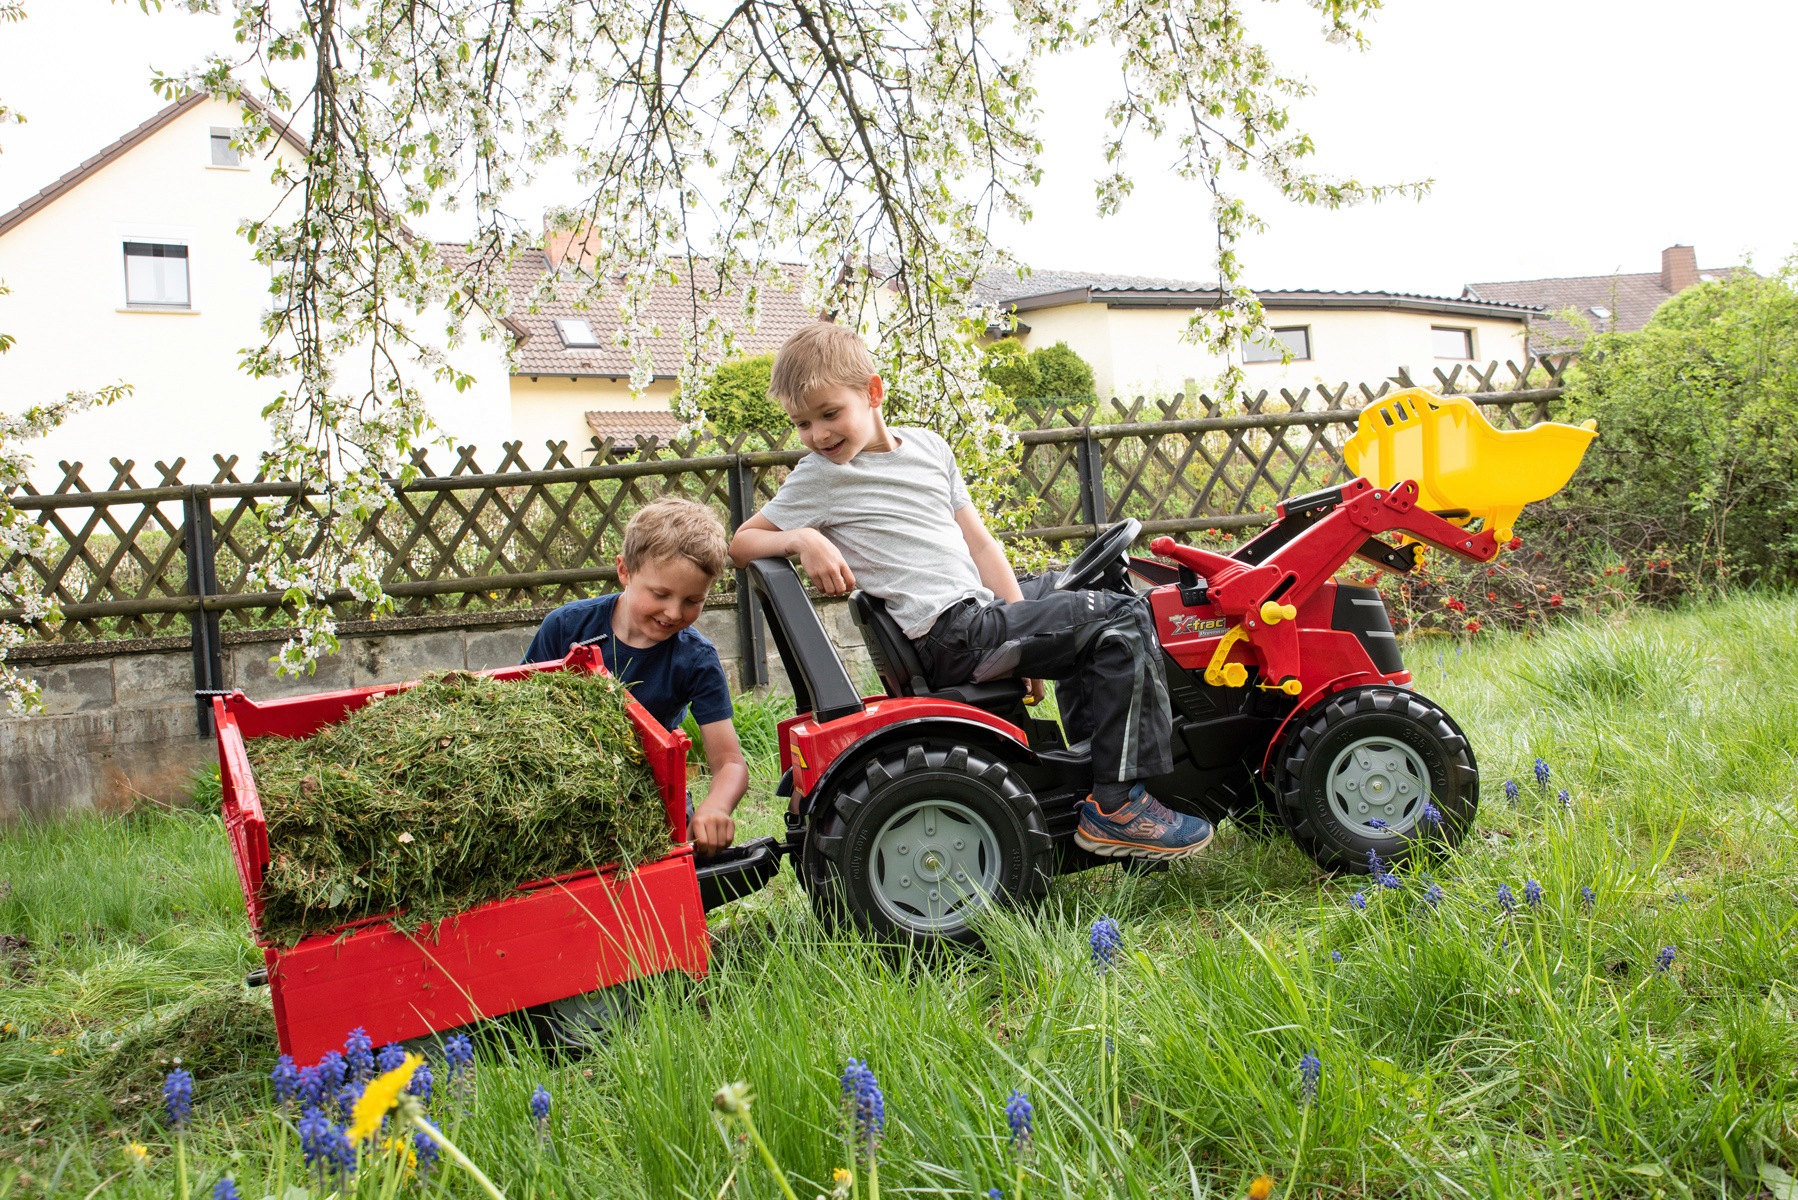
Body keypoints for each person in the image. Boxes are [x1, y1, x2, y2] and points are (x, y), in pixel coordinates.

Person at [727, 321, 1213, 860]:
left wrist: (1020, 619)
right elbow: (742, 543)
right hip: (951, 634)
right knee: (1120, 618)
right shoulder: (821, 476)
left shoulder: (931, 449)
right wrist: (805, 537)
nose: (817, 435)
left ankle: (1097, 774)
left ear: (873, 392)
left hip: (979, 617)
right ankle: (1120, 805)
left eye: (828, 414)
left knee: (1082, 591)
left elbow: (981, 548)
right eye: (802, 424)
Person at [525, 496, 748, 856]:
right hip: (562, 791)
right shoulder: (566, 627)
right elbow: (521, 712)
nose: (674, 612)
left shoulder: (696, 659)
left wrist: (717, 806)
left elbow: (730, 762)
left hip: (649, 796)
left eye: (694, 601)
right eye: (660, 594)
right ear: (625, 571)